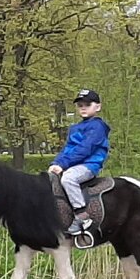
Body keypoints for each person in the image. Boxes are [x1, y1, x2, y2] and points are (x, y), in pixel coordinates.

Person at [48, 89, 110, 236]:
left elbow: (85, 149)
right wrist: (55, 163)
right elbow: (67, 149)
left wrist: (63, 165)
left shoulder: (98, 127)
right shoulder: (75, 128)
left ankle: (82, 215)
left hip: (89, 165)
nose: (83, 107)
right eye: (80, 105)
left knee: (69, 179)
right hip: (73, 164)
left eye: (87, 104)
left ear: (98, 107)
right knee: (49, 179)